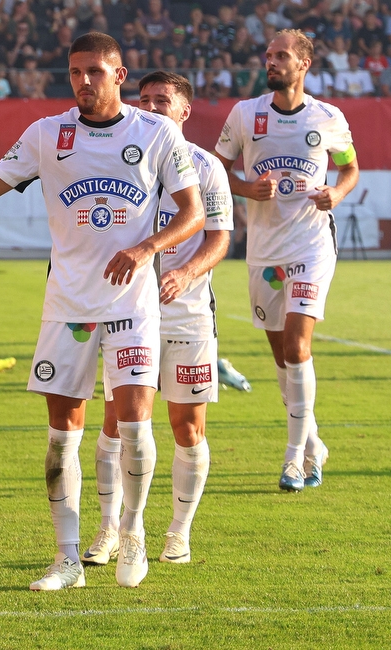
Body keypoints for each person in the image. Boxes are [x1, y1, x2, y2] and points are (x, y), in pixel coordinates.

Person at [0, 32, 205, 591]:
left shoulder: (155, 132)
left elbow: (193, 213)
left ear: (119, 74)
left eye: (95, 72)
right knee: (63, 436)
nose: (84, 81)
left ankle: (131, 534)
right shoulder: (45, 134)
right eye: (75, 72)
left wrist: (144, 249)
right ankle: (65, 559)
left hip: (132, 304)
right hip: (67, 306)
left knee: (133, 428)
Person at [86, 71, 232, 570]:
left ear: (184, 111)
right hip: (126, 312)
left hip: (187, 314)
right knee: (116, 423)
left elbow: (219, 237)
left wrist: (187, 272)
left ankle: (178, 532)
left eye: (162, 101)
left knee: (187, 426)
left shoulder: (207, 168)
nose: (150, 108)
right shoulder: (120, 159)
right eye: (143, 100)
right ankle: (111, 530)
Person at [214, 29, 359, 492]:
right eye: (268, 53)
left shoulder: (329, 117)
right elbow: (216, 167)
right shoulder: (245, 114)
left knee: (298, 347)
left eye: (281, 55)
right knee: (283, 362)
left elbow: (350, 165)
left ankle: (294, 458)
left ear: (304, 64)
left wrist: (335, 191)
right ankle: (315, 443)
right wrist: (245, 188)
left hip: (312, 246)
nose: (270, 60)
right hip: (263, 251)